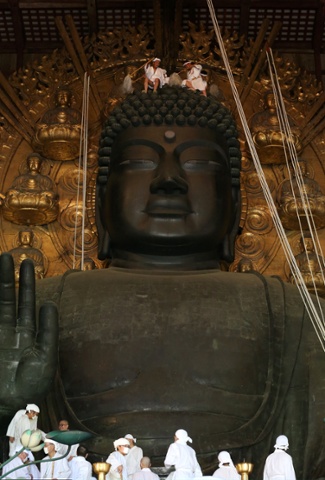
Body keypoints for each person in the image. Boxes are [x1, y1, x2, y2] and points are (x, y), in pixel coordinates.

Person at [0, 86, 325, 480]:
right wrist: (8, 407)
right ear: (101, 199)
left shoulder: (297, 313)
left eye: (200, 163)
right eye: (139, 162)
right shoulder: (36, 311)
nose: (168, 179)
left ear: (236, 202)